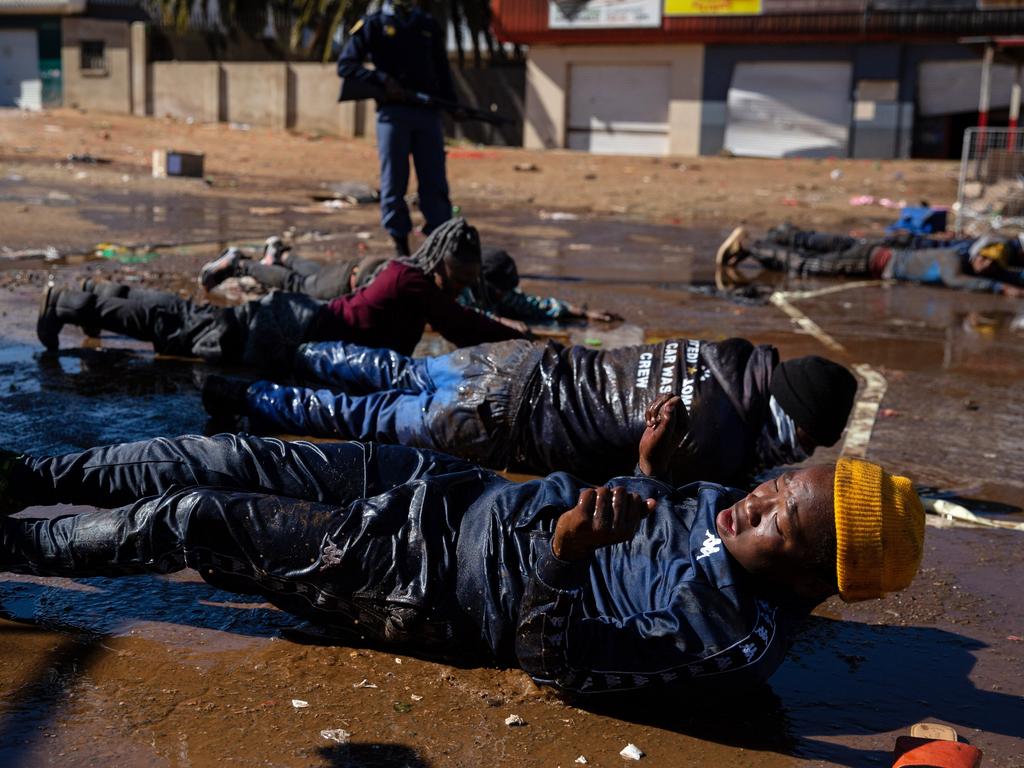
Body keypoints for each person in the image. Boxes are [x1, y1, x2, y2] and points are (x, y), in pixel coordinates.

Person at [0, 402, 926, 695]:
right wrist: (643, 467)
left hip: (430, 581)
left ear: (812, 579)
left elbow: (551, 662)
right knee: (229, 453)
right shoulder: (736, 510)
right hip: (447, 492)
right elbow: (648, 508)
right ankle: (23, 471)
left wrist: (562, 555)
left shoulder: (723, 638)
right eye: (771, 488)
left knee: (198, 517)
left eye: (774, 522)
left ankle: (13, 544)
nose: (747, 506)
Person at [201, 335, 858, 487]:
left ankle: (293, 350)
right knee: (367, 419)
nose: (796, 452)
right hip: (505, 422)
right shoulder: (721, 446)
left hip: (517, 362)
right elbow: (658, 503)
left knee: (395, 370)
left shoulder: (726, 352)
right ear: (787, 412)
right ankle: (252, 399)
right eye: (802, 439)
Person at [37, 219, 526, 368]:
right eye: (458, 276)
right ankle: (68, 303)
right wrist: (516, 337)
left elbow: (460, 318)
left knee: (185, 320)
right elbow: (463, 327)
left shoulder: (410, 276)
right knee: (179, 328)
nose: (461, 285)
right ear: (438, 260)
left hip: (292, 321)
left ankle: (93, 295)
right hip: (285, 329)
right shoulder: (413, 283)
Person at [338, 0, 456, 256]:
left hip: (427, 113)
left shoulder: (427, 25)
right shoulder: (375, 24)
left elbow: (443, 71)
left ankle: (438, 245)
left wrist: (454, 106)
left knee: (435, 182)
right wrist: (381, 80)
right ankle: (400, 246)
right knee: (394, 182)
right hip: (393, 114)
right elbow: (346, 65)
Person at [717, 225, 1024, 296]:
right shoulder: (952, 259)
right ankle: (751, 246)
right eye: (984, 261)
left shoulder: (962, 258)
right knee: (808, 266)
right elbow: (957, 281)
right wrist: (1000, 288)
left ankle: (766, 244)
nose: (985, 267)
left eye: (991, 265)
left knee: (813, 257)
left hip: (876, 257)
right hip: (874, 260)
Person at [460, 248, 624, 324]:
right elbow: (464, 315)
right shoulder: (460, 290)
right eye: (499, 291)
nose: (503, 295)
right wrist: (502, 321)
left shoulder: (499, 292)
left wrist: (583, 313)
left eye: (505, 291)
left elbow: (534, 305)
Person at [198, 236, 389, 300]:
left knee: (318, 276)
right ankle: (239, 265)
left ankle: (280, 255)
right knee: (299, 285)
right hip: (351, 282)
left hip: (360, 268)